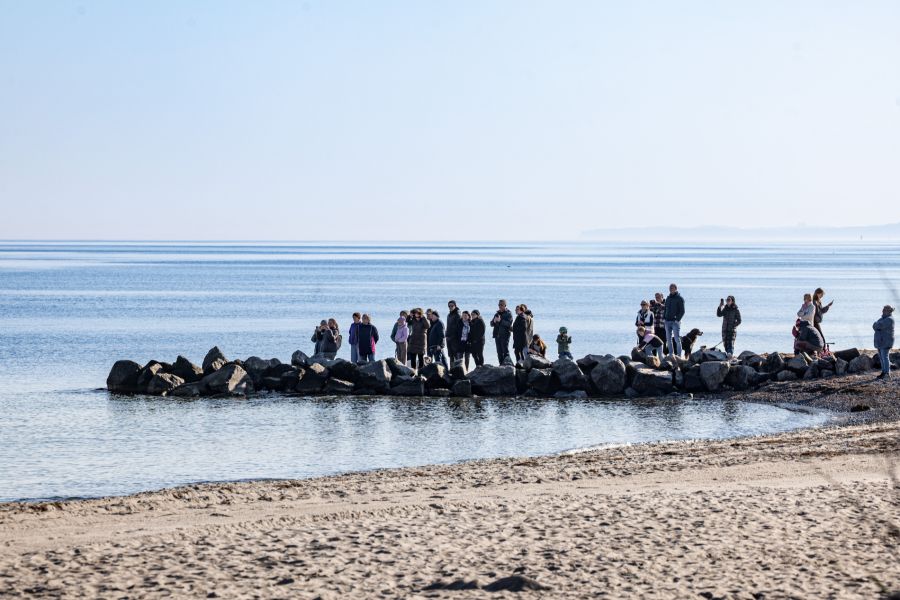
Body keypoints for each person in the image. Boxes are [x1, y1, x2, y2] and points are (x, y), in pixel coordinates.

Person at [873, 305, 895, 379]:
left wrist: (877, 326)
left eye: (884, 310)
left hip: (886, 342)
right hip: (881, 342)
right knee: (882, 357)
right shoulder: (883, 319)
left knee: (885, 357)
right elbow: (874, 325)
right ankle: (883, 372)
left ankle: (887, 374)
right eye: (883, 310)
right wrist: (876, 326)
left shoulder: (889, 319)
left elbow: (878, 325)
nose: (882, 311)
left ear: (888, 311)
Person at [664, 284, 685, 357]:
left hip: (675, 322)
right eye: (670, 288)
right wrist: (664, 318)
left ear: (676, 288)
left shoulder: (679, 298)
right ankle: (671, 354)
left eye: (672, 288)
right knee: (668, 339)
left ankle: (679, 355)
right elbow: (665, 309)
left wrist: (677, 319)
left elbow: (682, 311)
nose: (670, 289)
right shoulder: (668, 298)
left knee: (677, 339)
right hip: (667, 321)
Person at [491, 299, 514, 364]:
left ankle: (508, 364)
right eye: (499, 305)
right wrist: (494, 321)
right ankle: (501, 365)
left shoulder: (508, 313)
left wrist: (500, 321)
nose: (500, 306)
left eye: (501, 305)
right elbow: (491, 324)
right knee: (499, 352)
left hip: (505, 335)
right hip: (497, 335)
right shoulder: (497, 313)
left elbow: (509, 324)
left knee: (505, 351)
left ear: (505, 305)